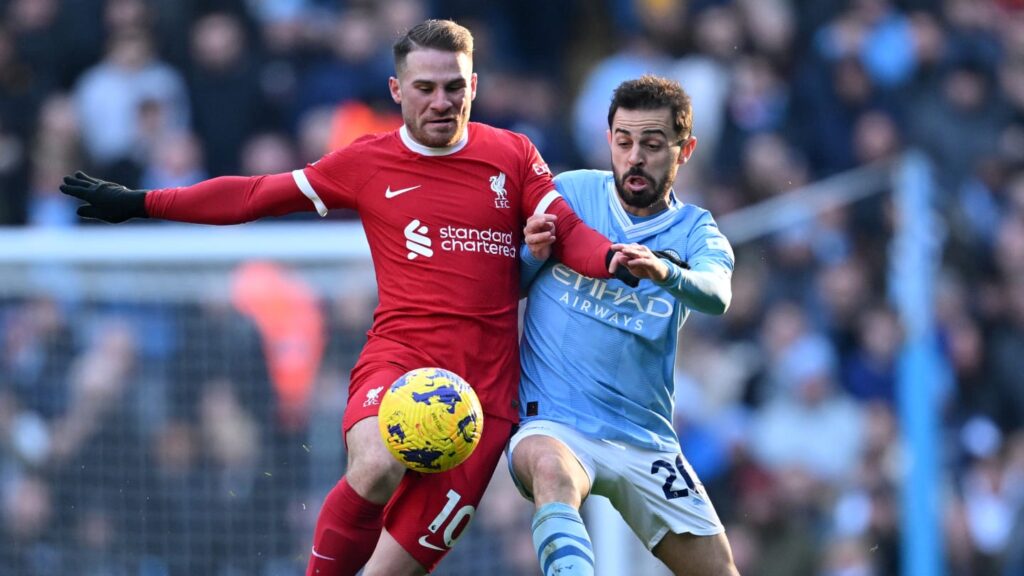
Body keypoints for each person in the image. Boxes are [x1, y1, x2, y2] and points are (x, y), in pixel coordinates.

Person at [59, 19, 638, 576]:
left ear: (475, 86)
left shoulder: (511, 154)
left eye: (455, 87)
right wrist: (143, 202)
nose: (442, 101)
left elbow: (569, 233)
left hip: (483, 401)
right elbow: (257, 194)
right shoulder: (367, 161)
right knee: (379, 459)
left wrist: (614, 259)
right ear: (396, 90)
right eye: (426, 88)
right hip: (398, 360)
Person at [509, 75, 741, 576]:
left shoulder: (695, 230)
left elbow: (718, 294)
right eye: (624, 141)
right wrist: (532, 253)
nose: (635, 157)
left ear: (686, 150)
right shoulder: (569, 194)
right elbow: (506, 285)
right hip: (554, 422)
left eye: (653, 145)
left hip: (645, 439)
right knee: (550, 470)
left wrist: (665, 272)